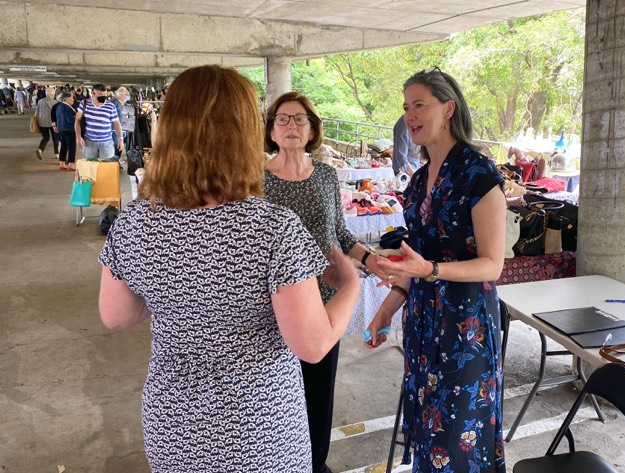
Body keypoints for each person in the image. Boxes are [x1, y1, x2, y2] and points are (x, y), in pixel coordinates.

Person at [98, 64, 361, 473]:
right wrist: (350, 285)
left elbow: (116, 316)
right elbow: (312, 344)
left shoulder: (134, 221)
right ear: (244, 134)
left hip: (174, 427)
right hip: (259, 432)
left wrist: (177, 291)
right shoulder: (273, 228)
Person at [365, 68, 506, 473]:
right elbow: (417, 261)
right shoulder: (421, 177)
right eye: (407, 107)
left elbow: (492, 264)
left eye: (420, 105)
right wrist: (387, 309)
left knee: (460, 434)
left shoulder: (478, 174)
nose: (410, 115)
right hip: (424, 321)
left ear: (448, 108)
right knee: (427, 428)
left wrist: (430, 269)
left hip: (465, 327)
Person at [263, 91, 386, 473]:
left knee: (319, 389)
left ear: (313, 128)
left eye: (300, 119)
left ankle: (315, 462)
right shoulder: (254, 180)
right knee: (276, 392)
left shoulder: (327, 176)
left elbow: (340, 235)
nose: (292, 126)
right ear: (270, 128)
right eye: (283, 119)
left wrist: (371, 260)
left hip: (325, 300)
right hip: (274, 303)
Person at [74, 83, 124, 159]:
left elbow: (117, 123)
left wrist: (121, 139)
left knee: (106, 166)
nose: (103, 96)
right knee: (90, 166)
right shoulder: (84, 104)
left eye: (105, 94)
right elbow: (77, 121)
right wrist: (78, 137)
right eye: (100, 94)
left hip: (106, 142)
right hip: (89, 141)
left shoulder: (110, 106)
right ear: (93, 94)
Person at [34, 87, 59, 159]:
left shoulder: (40, 101)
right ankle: (56, 154)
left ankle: (40, 149)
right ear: (52, 94)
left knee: (46, 137)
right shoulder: (55, 102)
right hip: (52, 123)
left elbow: (37, 112)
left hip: (42, 122)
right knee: (55, 138)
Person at [55, 92, 77, 171]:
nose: (73, 100)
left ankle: (62, 163)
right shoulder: (68, 108)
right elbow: (70, 120)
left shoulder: (59, 106)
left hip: (61, 128)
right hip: (69, 129)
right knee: (71, 147)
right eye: (72, 98)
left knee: (63, 146)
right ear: (67, 99)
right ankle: (71, 164)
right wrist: (76, 116)